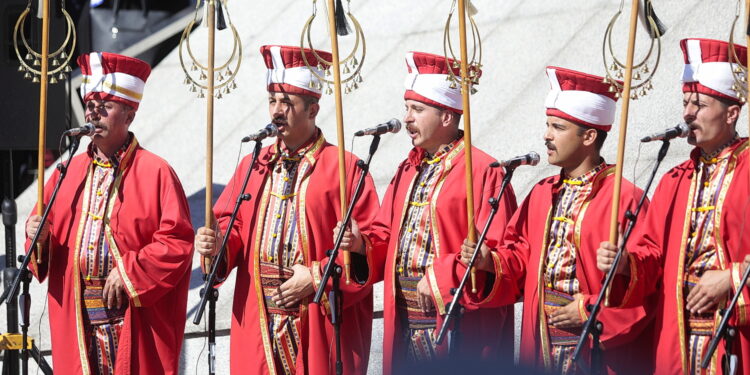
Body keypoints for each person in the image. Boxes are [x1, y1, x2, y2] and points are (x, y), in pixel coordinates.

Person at [194, 45, 380, 375]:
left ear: (312, 110)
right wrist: (216, 242)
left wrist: (316, 275)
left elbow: (370, 243)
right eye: (272, 101)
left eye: (287, 102)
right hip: (259, 318)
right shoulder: (255, 165)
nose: (276, 111)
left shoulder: (345, 168)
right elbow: (232, 231)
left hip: (315, 316)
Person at [460, 67, 655, 374]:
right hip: (541, 338)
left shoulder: (624, 197)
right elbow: (520, 258)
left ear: (589, 136)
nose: (546, 136)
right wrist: (490, 262)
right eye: (548, 125)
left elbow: (649, 277)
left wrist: (592, 306)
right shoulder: (541, 194)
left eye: (558, 127)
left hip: (593, 345)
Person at [336, 51, 517, 374]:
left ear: (447, 116)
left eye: (417, 110)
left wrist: (441, 276)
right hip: (404, 321)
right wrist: (361, 244)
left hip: (455, 322)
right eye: (407, 109)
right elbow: (385, 236)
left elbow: (494, 252)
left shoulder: (484, 172)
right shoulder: (408, 169)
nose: (407, 118)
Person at [24, 52, 194, 374]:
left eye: (106, 107)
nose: (94, 113)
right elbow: (40, 242)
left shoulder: (156, 172)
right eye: (90, 105)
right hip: (78, 322)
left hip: (128, 320)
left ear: (129, 116)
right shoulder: (66, 172)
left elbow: (177, 242)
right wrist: (38, 236)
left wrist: (130, 270)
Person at [597, 38, 750, 374]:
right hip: (679, 339)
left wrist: (732, 278)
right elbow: (651, 257)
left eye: (699, 104)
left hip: (736, 335)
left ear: (732, 113)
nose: (687, 113)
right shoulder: (674, 180)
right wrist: (626, 263)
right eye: (685, 103)